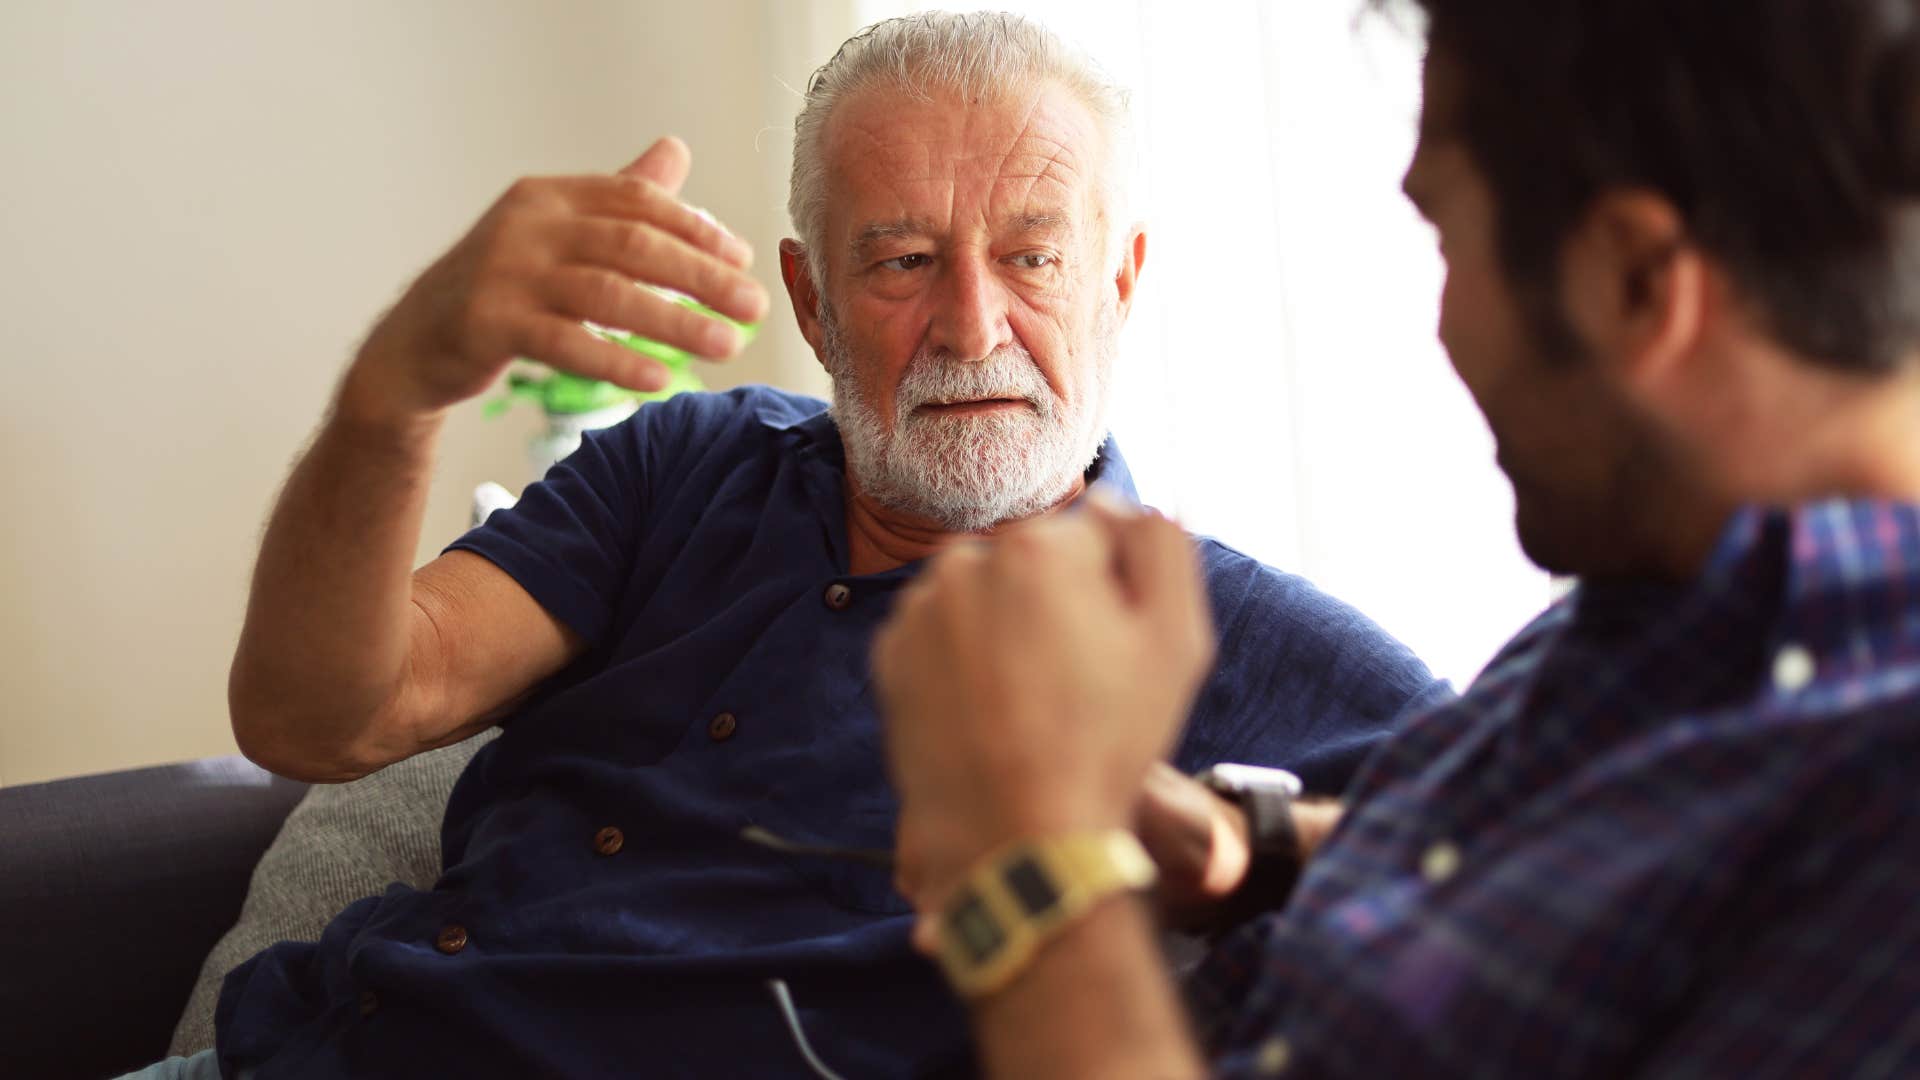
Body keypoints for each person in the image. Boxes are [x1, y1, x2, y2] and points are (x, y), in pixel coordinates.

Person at [124, 12, 1444, 1079]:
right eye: (906, 262)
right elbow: (318, 718)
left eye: (1034, 258)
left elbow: (1532, 866)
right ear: (810, 300)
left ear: (1122, 279)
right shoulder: (684, 465)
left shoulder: (1238, 645)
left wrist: (1235, 842)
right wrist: (395, 395)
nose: (973, 328)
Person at [871, 0, 1920, 1076]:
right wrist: (1256, 847)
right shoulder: (1668, 586)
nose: (1444, 321)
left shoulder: (1886, 839)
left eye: (1446, 238)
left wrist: (1033, 864)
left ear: (1637, 283)